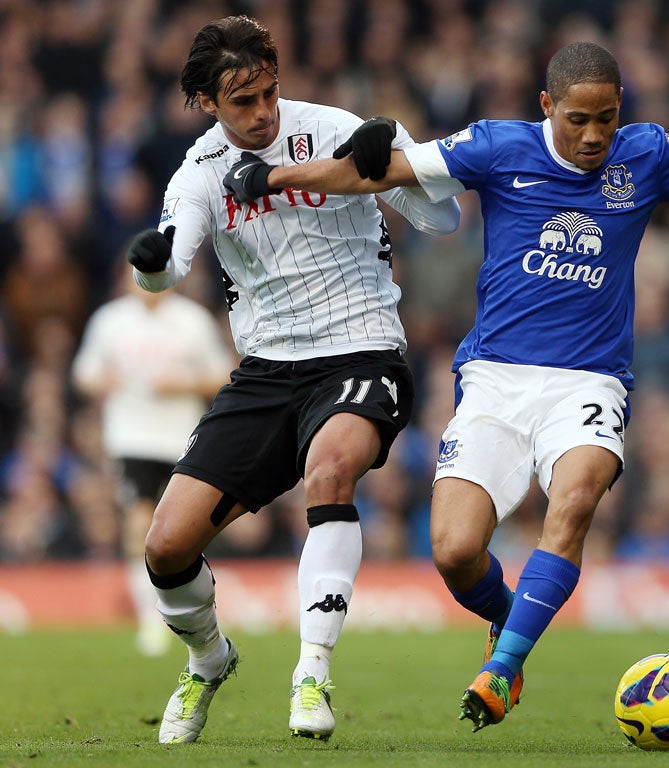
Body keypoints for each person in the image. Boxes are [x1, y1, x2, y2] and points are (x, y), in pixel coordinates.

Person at [224, 40, 669, 731]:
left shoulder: (646, 154)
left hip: (590, 381)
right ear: (547, 106)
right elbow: (385, 172)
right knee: (455, 552)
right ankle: (509, 625)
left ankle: (501, 672)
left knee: (576, 497)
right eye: (577, 120)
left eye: (606, 119)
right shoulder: (498, 147)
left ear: (621, 110)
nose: (593, 136)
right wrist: (276, 179)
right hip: (495, 381)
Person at [126, 15, 460, 744]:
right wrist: (150, 263)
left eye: (270, 93)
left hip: (363, 352)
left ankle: (312, 671)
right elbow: (170, 266)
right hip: (267, 372)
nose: (263, 112)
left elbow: (444, 216)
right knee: (165, 547)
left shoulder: (335, 128)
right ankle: (209, 661)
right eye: (243, 102)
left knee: (330, 470)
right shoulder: (200, 174)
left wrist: (389, 166)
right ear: (209, 102)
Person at [72, 265, 233, 657]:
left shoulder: (191, 321)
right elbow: (83, 374)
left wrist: (184, 384)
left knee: (185, 529)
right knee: (140, 520)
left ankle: (193, 615)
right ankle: (151, 618)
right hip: (132, 437)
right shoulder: (110, 321)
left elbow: (223, 375)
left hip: (183, 437)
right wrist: (103, 381)